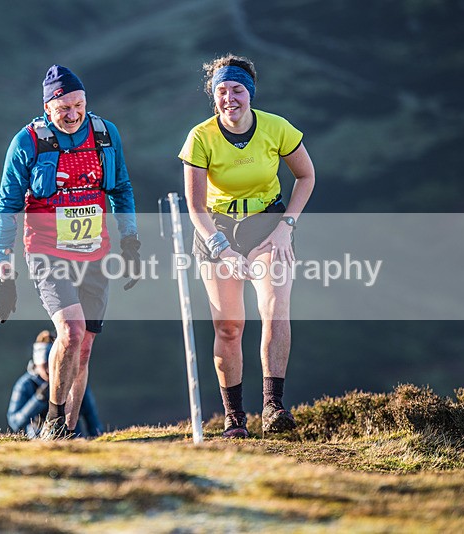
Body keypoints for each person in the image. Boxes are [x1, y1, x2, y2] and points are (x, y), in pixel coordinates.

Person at [0, 65, 140, 440]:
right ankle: (54, 421)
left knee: (83, 348)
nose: (73, 115)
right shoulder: (28, 142)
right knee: (70, 332)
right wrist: (3, 270)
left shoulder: (105, 135)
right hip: (47, 251)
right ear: (47, 108)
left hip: (95, 252)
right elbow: (7, 206)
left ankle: (68, 435)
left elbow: (121, 188)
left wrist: (130, 241)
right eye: (63, 108)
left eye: (79, 106)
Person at [178, 54, 315, 438]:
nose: (229, 99)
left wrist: (287, 226)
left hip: (268, 224)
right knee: (228, 328)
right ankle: (234, 418)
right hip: (216, 228)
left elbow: (306, 176)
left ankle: (273, 406)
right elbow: (195, 206)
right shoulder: (200, 137)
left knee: (274, 310)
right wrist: (222, 249)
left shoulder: (276, 128)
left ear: (250, 92)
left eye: (237, 90)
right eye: (221, 91)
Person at [7, 330, 103, 438]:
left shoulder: (75, 383)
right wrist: (38, 399)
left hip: (73, 439)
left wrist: (99, 440)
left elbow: (92, 419)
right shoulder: (25, 385)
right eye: (45, 365)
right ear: (37, 364)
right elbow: (15, 422)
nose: (50, 370)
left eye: (54, 366)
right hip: (38, 440)